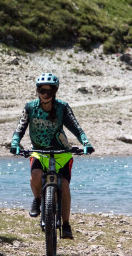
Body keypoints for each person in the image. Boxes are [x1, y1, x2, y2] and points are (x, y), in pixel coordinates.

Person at [10, 72, 94, 239]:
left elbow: (76, 128)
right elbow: (20, 128)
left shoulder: (62, 107)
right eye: (42, 91)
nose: (45, 95)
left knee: (64, 186)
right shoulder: (30, 107)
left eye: (49, 92)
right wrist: (14, 143)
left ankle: (66, 224)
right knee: (35, 175)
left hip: (62, 152)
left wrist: (86, 143)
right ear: (37, 91)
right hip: (39, 152)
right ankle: (37, 199)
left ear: (55, 92)